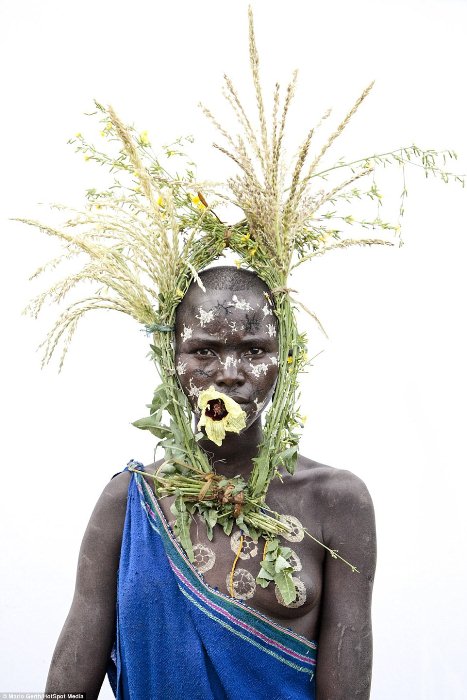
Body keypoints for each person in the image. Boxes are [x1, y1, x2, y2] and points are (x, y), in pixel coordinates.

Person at [44, 266, 376, 699]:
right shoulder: (128, 502)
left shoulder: (336, 503)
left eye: (255, 350)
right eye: (204, 351)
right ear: (171, 358)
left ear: (287, 356)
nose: (230, 374)